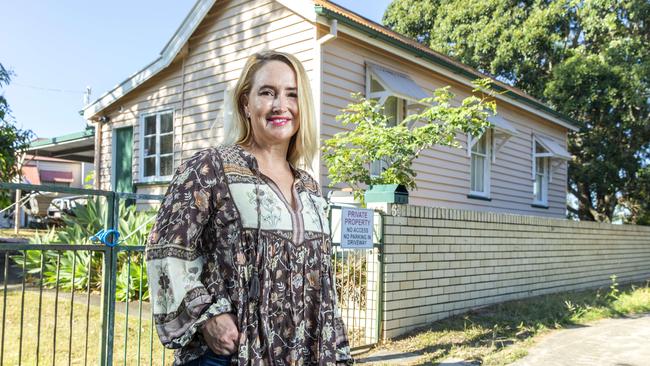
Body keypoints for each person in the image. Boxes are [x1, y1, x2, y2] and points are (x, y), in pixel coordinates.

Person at [146, 50, 354, 366]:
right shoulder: (210, 168)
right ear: (246, 103)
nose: (280, 105)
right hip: (229, 357)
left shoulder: (310, 188)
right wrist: (206, 316)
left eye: (291, 95)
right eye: (267, 93)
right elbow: (165, 248)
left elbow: (324, 285)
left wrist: (338, 352)